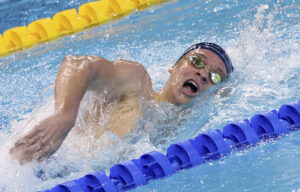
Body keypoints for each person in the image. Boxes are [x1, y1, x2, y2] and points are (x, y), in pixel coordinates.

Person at [9, 42, 234, 164]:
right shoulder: (137, 83)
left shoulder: (177, 126)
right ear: (173, 67)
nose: (203, 74)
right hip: (32, 160)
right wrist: (64, 114)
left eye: (215, 76)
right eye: (196, 61)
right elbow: (78, 64)